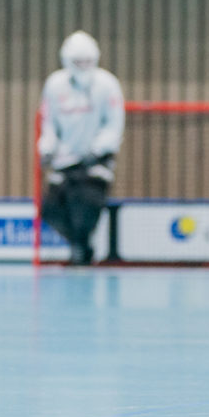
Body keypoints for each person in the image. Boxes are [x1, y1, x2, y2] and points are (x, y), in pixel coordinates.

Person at [37, 31, 124, 265]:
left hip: (95, 162)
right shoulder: (55, 85)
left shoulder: (108, 84)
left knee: (85, 209)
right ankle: (80, 247)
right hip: (64, 161)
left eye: (87, 61)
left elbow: (114, 125)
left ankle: (80, 251)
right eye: (78, 62)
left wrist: (97, 150)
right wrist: (46, 148)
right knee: (51, 211)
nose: (83, 66)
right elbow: (49, 124)